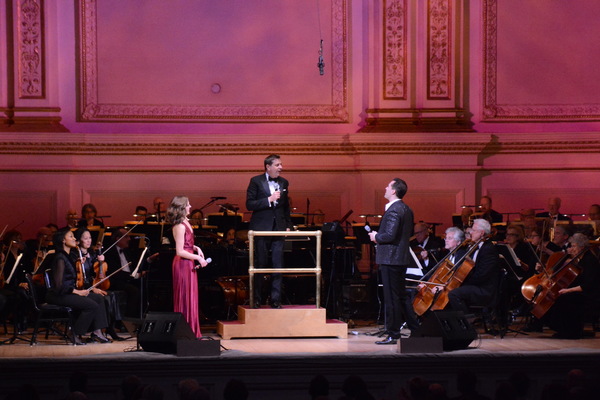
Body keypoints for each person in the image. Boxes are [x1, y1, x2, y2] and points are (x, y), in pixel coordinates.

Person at [368, 178, 414, 344]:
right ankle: (414, 329)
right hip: (398, 259)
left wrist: (376, 237)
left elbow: (389, 235)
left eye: (388, 186)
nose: (385, 188)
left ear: (394, 190)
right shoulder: (406, 209)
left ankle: (393, 334)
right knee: (400, 297)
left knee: (392, 298)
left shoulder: (395, 210)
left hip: (391, 259)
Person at [45, 228, 110, 345]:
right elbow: (59, 286)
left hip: (67, 292)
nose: (74, 238)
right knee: (91, 306)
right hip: (58, 295)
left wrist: (80, 264)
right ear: (63, 241)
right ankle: (74, 333)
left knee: (98, 298)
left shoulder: (69, 256)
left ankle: (97, 332)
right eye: (71, 236)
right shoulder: (60, 257)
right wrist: (77, 292)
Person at [246, 154, 292, 309]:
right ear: (268, 166)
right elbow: (249, 204)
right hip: (261, 229)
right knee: (260, 264)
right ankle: (257, 298)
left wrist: (287, 225)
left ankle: (275, 300)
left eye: (281, 164)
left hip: (278, 228)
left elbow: (286, 207)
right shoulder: (255, 181)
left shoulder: (284, 182)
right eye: (278, 165)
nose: (281, 167)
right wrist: (268, 200)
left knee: (278, 264)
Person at [542, 232, 600, 338]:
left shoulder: (590, 261)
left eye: (574, 246)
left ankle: (571, 332)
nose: (571, 249)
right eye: (571, 246)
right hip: (580, 292)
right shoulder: (579, 259)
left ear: (582, 247)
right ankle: (564, 329)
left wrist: (568, 290)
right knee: (560, 297)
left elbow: (588, 285)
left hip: (589, 294)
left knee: (565, 298)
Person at [166, 196, 208, 338]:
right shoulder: (179, 225)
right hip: (182, 264)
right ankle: (186, 333)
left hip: (187, 262)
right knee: (185, 297)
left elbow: (186, 244)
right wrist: (197, 258)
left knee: (191, 297)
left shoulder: (185, 222)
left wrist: (195, 248)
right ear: (182, 207)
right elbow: (179, 251)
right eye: (188, 205)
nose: (190, 206)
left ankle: (192, 331)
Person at [447, 219, 500, 315]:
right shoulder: (473, 246)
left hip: (484, 289)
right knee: (447, 290)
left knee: (454, 294)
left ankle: (466, 323)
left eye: (473, 230)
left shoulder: (489, 249)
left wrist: (462, 282)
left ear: (481, 233)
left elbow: (482, 276)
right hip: (474, 285)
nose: (470, 233)